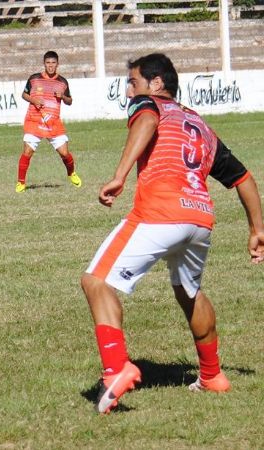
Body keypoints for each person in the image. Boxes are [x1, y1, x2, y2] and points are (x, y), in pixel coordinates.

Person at [80, 53, 264, 414]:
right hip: (199, 220)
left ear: (157, 83)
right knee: (189, 291)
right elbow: (243, 177)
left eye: (133, 82)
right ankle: (212, 375)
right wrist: (257, 228)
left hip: (161, 212)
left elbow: (147, 118)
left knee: (96, 281)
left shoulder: (149, 104)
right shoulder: (202, 126)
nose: (129, 91)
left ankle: (117, 369)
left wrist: (120, 174)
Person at [15, 51, 81, 193]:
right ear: (44, 64)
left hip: (53, 124)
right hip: (34, 121)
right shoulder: (34, 79)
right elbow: (24, 94)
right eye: (48, 63)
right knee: (27, 152)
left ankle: (71, 173)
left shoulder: (62, 82)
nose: (50, 66)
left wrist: (63, 96)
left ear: (57, 64)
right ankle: (21, 183)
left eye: (53, 63)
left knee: (64, 153)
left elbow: (70, 101)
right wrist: (33, 100)